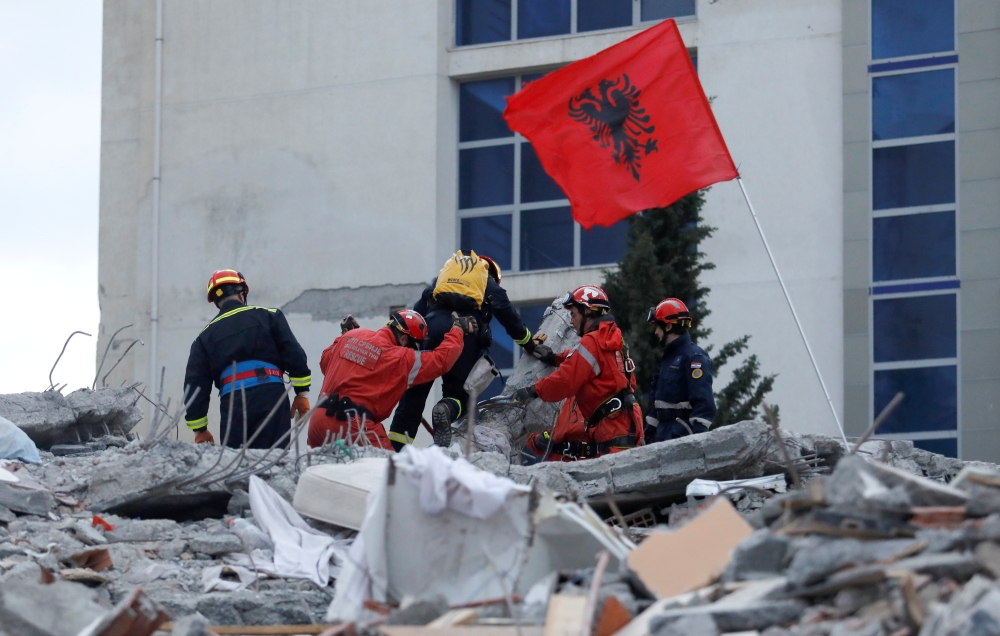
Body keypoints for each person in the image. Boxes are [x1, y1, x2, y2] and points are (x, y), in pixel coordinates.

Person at [388, 250, 538, 449]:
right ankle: (445, 408)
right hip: (465, 332)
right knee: (458, 394)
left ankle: (395, 450)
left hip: (431, 328)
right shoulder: (486, 280)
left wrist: (402, 343)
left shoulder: (442, 280)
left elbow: (417, 312)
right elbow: (507, 314)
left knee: (415, 392)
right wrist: (529, 343)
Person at [307, 309, 477, 449]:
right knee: (389, 475)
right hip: (353, 426)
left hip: (317, 422)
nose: (414, 351)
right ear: (403, 339)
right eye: (414, 346)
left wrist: (345, 335)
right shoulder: (400, 357)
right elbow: (442, 360)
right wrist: (458, 330)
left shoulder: (350, 337)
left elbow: (325, 363)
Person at [184, 270, 312, 448]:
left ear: (215, 301)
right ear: (242, 292)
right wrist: (302, 393)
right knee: (274, 460)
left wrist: (200, 430)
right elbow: (294, 354)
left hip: (233, 403)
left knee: (238, 465)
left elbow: (195, 386)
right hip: (270, 395)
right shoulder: (269, 315)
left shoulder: (203, 338)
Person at [517, 286, 643, 462]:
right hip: (621, 421)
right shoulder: (610, 337)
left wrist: (533, 390)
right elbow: (584, 359)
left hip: (613, 427)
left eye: (574, 314)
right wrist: (554, 358)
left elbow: (566, 380)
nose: (571, 321)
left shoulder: (593, 341)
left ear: (587, 312)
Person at [644, 298, 715, 442]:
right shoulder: (669, 358)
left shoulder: (694, 358)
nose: (656, 332)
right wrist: (648, 433)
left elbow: (703, 404)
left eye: (658, 326)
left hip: (681, 437)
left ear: (668, 327)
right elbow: (658, 403)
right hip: (662, 435)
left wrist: (697, 440)